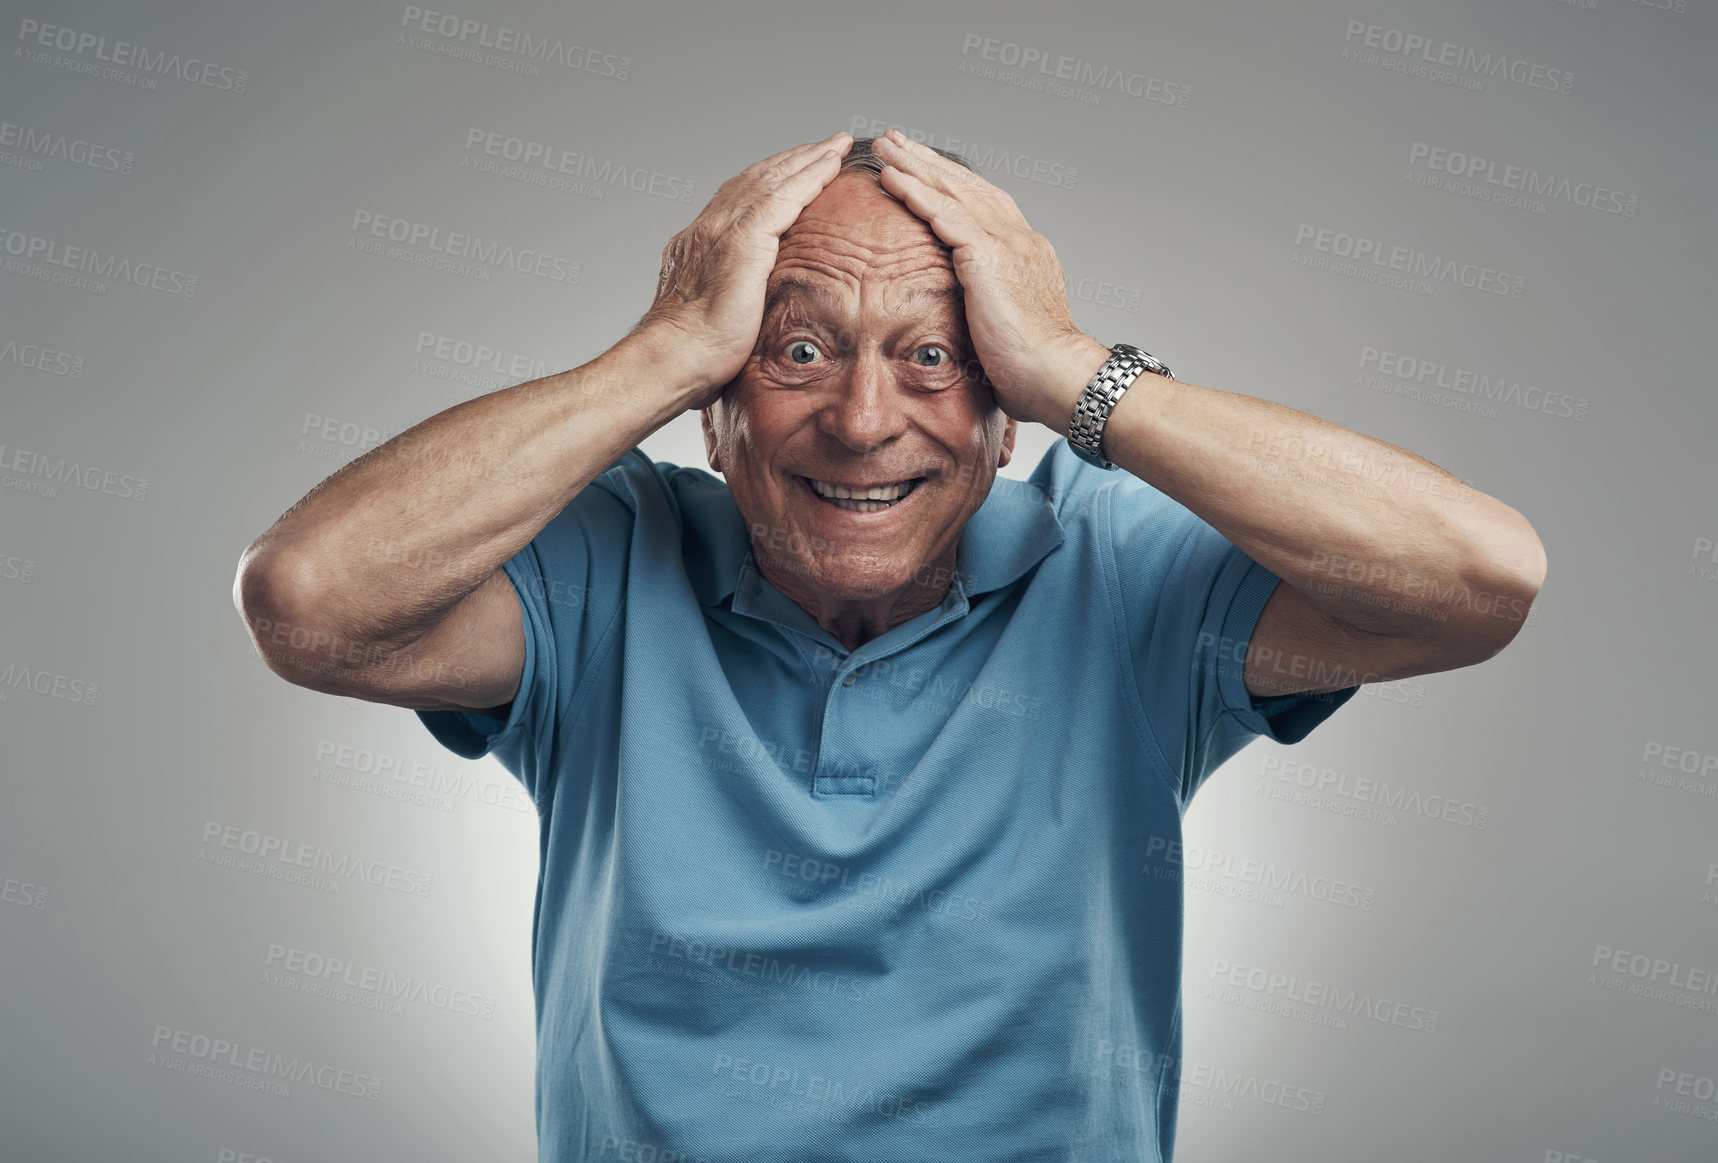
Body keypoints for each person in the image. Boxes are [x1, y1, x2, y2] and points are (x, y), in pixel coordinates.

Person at [234, 129, 1546, 1162]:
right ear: (715, 408)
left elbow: (1478, 581)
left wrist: (1076, 368)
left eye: (933, 356)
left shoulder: (1121, 566)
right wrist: (662, 345)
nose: (863, 422)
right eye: (795, 351)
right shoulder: (605, 558)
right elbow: (309, 599)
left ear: (1003, 413)